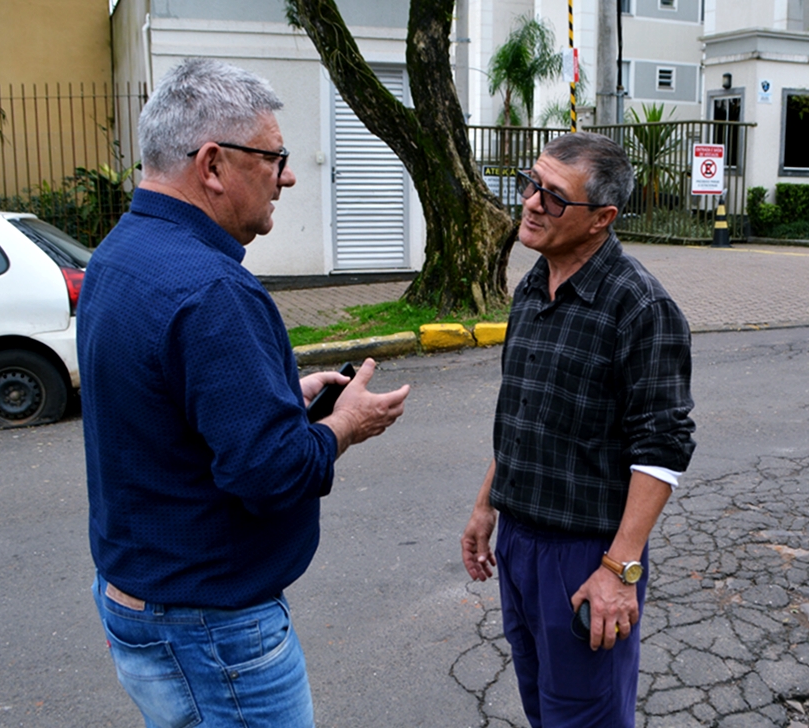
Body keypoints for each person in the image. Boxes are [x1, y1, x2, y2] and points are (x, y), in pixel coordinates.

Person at [78, 58, 410, 728]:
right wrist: (346, 423)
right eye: (274, 157)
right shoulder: (213, 289)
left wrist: (275, 394)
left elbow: (160, 404)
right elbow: (272, 473)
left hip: (138, 599)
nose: (287, 176)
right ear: (212, 164)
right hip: (211, 629)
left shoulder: (117, 254)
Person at [461, 131, 696, 727]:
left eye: (555, 196)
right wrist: (487, 505)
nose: (532, 203)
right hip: (519, 542)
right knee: (542, 707)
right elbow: (524, 411)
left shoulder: (639, 306)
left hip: (587, 556)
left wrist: (619, 571)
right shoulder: (532, 286)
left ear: (602, 218)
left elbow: (663, 447)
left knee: (586, 717)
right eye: (531, 184)